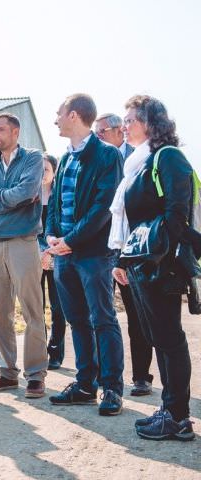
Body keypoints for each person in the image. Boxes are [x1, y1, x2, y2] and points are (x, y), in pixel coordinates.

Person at [113, 95, 195, 441]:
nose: (125, 125)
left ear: (151, 122)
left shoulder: (168, 157)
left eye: (131, 119)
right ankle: (169, 409)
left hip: (162, 264)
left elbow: (178, 213)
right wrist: (124, 261)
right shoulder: (137, 163)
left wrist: (155, 257)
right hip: (144, 264)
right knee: (160, 338)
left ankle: (178, 418)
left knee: (170, 339)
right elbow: (135, 222)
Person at [46, 93, 124, 416]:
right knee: (77, 320)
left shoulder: (107, 155)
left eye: (59, 113)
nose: (55, 119)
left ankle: (112, 389)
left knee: (102, 318)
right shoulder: (64, 158)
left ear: (74, 115)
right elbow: (53, 204)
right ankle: (84, 385)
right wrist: (51, 235)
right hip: (64, 254)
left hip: (92, 254)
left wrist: (72, 240)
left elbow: (103, 208)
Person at [0, 113, 48, 399]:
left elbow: (29, 191)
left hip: (23, 241)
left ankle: (35, 375)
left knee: (32, 311)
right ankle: (6, 372)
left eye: (0, 129)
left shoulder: (32, 158)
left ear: (15, 131)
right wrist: (9, 198)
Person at [101, 112, 154, 397]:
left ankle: (141, 376)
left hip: (130, 249)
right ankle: (105, 376)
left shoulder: (139, 158)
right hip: (102, 248)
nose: (98, 136)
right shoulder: (98, 159)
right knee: (101, 314)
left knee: (137, 315)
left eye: (102, 131)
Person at [38, 154, 66, 370]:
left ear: (54, 171)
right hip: (34, 258)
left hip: (56, 255)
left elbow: (61, 227)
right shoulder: (30, 195)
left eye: (46, 169)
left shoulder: (60, 195)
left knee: (58, 308)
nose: (42, 173)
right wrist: (39, 253)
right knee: (37, 307)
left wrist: (49, 252)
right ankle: (39, 352)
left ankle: (55, 352)